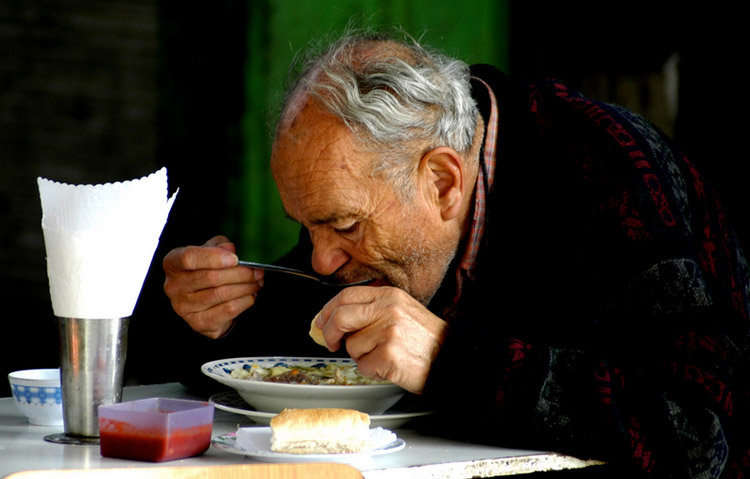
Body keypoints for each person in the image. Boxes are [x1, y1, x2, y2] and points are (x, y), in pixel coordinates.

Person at [162, 31, 750, 477]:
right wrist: (223, 314)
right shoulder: (376, 199)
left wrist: (448, 357)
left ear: (443, 182)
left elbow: (695, 435)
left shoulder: (609, 173)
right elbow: (309, 355)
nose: (320, 261)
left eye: (343, 225)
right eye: (308, 227)